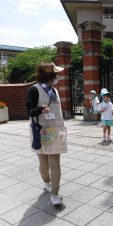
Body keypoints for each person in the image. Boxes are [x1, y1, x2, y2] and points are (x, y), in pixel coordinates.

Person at [26, 62, 67, 206]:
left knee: (55, 164)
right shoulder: (34, 89)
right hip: (41, 131)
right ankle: (46, 181)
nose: (57, 76)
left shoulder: (54, 91)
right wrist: (40, 109)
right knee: (43, 163)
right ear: (50, 75)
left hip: (55, 131)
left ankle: (55, 194)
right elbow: (30, 111)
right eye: (55, 74)